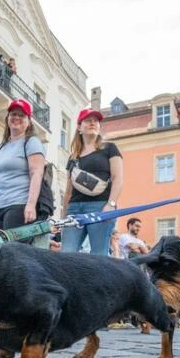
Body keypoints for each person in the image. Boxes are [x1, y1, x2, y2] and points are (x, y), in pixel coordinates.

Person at [0, 98, 50, 248]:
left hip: (19, 204)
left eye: (21, 115)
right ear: (7, 118)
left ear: (29, 121)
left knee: (13, 251)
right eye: (13, 114)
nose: (16, 118)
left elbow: (36, 173)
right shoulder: (2, 147)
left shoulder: (31, 142)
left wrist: (31, 205)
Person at [61, 108, 123, 255]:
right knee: (67, 254)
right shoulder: (73, 157)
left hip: (100, 206)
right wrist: (63, 217)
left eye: (96, 120)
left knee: (99, 255)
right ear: (79, 127)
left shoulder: (109, 148)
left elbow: (118, 178)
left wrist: (111, 204)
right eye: (88, 120)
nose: (92, 123)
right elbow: (69, 190)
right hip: (74, 208)